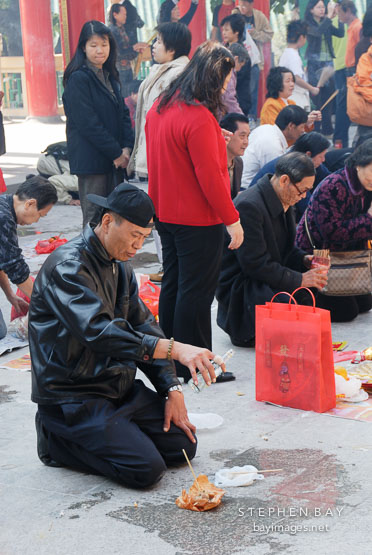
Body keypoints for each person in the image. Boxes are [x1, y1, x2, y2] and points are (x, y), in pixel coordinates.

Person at [29, 183, 224, 487]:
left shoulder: (122, 268)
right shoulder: (67, 267)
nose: (137, 246)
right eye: (134, 236)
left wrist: (172, 388)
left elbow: (144, 326)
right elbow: (101, 333)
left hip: (117, 387)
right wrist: (175, 348)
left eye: (144, 239)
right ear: (108, 222)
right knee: (145, 470)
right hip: (74, 396)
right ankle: (56, 440)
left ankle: (117, 431)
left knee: (182, 447)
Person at [146, 41, 244, 381]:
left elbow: (173, 150)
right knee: (197, 292)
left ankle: (172, 357)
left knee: (175, 284)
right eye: (226, 80)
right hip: (196, 217)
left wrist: (213, 138)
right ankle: (199, 364)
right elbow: (212, 179)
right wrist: (233, 220)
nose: (227, 87)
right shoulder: (199, 118)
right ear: (213, 79)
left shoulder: (161, 105)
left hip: (164, 211)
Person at [216, 152, 327, 347]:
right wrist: (299, 279)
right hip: (243, 286)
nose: (303, 197)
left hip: (264, 274)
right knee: (290, 295)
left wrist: (305, 260)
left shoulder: (282, 198)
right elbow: (255, 264)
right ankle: (246, 331)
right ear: (285, 180)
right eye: (302, 191)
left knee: (317, 290)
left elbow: (285, 250)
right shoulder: (249, 206)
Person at [62, 20, 134, 228]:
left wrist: (127, 148)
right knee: (95, 221)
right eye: (93, 45)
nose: (99, 50)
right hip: (92, 161)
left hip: (115, 160)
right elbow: (88, 124)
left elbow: (123, 113)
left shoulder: (110, 76)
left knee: (115, 218)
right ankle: (92, 261)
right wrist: (116, 152)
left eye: (104, 44)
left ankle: (113, 261)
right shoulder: (78, 79)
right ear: (83, 47)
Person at [296, 139, 372, 322]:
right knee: (347, 313)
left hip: (348, 256)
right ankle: (304, 296)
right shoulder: (333, 186)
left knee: (365, 304)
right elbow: (333, 233)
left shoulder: (366, 186)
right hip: (318, 257)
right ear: (359, 164)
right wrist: (369, 220)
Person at [128, 22, 191, 178]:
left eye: (159, 42)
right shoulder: (161, 69)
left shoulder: (179, 74)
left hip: (166, 155)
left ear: (172, 49)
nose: (154, 46)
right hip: (155, 150)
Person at [0, 177, 57, 339]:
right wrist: (46, 304)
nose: (36, 221)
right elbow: (16, 268)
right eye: (40, 215)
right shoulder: (3, 218)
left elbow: (3, 260)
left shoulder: (5, 204)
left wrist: (10, 295)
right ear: (30, 203)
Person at [250, 132, 330, 220]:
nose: (323, 160)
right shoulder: (293, 167)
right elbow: (308, 209)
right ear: (308, 154)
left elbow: (329, 180)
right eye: (321, 156)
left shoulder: (307, 162)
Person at [241, 104, 308, 187]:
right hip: (248, 188)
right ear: (291, 126)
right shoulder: (273, 145)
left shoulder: (266, 128)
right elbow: (276, 180)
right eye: (302, 126)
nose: (303, 131)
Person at [304, 0, 344, 136]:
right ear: (311, 10)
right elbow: (317, 33)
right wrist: (328, 18)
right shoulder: (307, 24)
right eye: (319, 7)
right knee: (316, 97)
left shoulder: (326, 22)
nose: (322, 10)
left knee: (328, 97)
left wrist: (339, 17)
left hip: (328, 63)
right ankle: (315, 129)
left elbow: (340, 33)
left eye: (323, 7)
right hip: (314, 64)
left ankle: (327, 129)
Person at [234, 0, 273, 121]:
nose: (243, 7)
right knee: (235, 90)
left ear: (252, 4)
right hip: (236, 60)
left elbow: (269, 34)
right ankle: (238, 117)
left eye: (246, 4)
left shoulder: (259, 16)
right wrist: (239, 16)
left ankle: (251, 118)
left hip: (253, 60)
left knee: (252, 91)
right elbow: (230, 31)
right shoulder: (235, 14)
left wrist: (254, 33)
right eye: (241, 4)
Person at [279, 20, 320, 111]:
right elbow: (296, 78)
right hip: (296, 98)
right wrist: (312, 89)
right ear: (301, 37)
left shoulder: (287, 53)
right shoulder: (293, 56)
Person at [108, 3, 147, 97]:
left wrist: (135, 50)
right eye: (124, 14)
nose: (126, 16)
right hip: (119, 70)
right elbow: (118, 53)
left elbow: (127, 49)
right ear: (115, 15)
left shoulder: (122, 29)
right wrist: (134, 48)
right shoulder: (112, 31)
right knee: (124, 96)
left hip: (127, 68)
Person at [221, 14, 251, 116]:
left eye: (227, 30)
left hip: (238, 102)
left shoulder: (242, 54)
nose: (223, 33)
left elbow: (236, 80)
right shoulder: (223, 49)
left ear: (236, 32)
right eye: (223, 30)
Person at [220, 112, 250, 199]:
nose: (246, 142)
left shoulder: (238, 162)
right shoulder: (213, 162)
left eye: (247, 136)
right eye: (242, 136)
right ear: (227, 135)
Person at [222, 42, 250, 116]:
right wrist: (240, 117)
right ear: (236, 59)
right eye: (240, 65)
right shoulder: (229, 70)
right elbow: (229, 98)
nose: (239, 69)